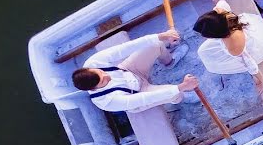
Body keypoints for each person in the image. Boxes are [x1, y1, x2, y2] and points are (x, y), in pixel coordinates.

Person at [71, 29, 199, 113]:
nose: (107, 76)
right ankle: (181, 98)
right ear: (94, 88)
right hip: (138, 93)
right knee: (173, 94)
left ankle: (169, 62)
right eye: (103, 81)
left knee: (156, 44)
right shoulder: (108, 101)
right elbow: (144, 98)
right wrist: (181, 87)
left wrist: (161, 36)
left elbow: (124, 49)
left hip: (129, 70)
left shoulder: (93, 62)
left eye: (101, 72)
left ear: (89, 68)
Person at [193, 0, 263, 92]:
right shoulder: (220, 12)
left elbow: (249, 63)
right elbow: (222, 3)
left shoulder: (234, 46)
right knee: (203, 51)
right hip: (242, 29)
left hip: (251, 46)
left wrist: (260, 81)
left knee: (212, 63)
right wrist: (220, 0)